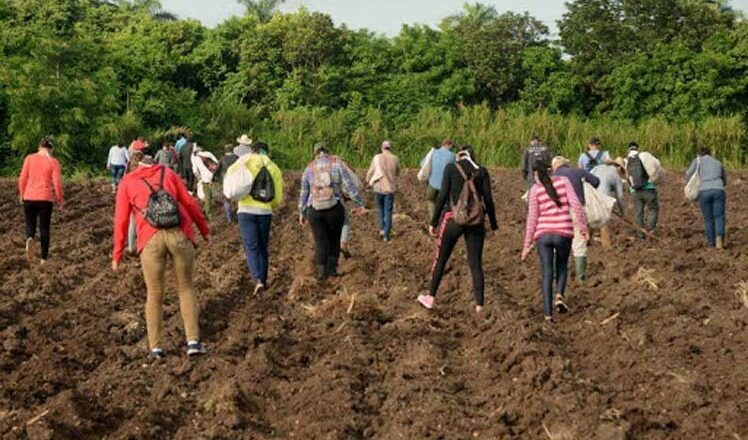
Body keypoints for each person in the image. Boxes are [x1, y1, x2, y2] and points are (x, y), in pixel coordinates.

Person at [112, 152, 211, 359]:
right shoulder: (169, 173)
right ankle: (193, 342)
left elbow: (121, 219)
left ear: (133, 165)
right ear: (154, 163)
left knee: (155, 293)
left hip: (149, 239)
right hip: (179, 233)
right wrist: (204, 230)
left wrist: (118, 253)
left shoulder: (127, 182)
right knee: (186, 287)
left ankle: (155, 348)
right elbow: (190, 203)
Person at [417, 146, 498, 313]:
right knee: (475, 264)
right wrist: (493, 223)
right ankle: (479, 306)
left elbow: (442, 196)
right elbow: (488, 200)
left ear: (459, 156)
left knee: (441, 259)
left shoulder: (451, 168)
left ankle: (430, 297)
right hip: (476, 223)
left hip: (455, 220)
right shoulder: (481, 171)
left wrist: (434, 222)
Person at [522, 161, 589, 322]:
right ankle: (559, 295)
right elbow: (576, 205)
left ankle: (547, 314)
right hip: (563, 232)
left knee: (546, 273)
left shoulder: (535, 190)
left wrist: (527, 244)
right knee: (561, 267)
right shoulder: (563, 182)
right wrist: (583, 228)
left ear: (536, 174)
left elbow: (532, 218)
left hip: (543, 235)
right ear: (551, 171)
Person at [298, 143, 366, 280]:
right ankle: (332, 269)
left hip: (315, 209)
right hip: (334, 208)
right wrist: (360, 203)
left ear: (315, 153)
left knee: (320, 240)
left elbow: (304, 192)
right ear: (327, 153)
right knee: (335, 238)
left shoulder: (309, 168)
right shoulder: (336, 164)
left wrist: (302, 212)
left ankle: (321, 271)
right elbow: (349, 186)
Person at [233, 141, 284, 294]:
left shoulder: (244, 162)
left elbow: (232, 185)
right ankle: (263, 278)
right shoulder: (273, 167)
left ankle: (257, 279)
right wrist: (269, 206)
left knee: (251, 246)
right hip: (265, 212)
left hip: (246, 211)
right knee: (263, 246)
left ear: (252, 150)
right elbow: (277, 198)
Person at [551, 156, 600, 282]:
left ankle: (557, 274)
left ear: (554, 167)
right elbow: (596, 181)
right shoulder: (578, 172)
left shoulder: (552, 178)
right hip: (577, 211)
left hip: (559, 213)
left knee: (558, 243)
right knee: (579, 243)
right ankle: (580, 278)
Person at [18, 136, 64, 264]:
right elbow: (57, 183)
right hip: (45, 198)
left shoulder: (29, 158)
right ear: (51, 149)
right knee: (44, 228)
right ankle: (43, 258)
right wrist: (60, 199)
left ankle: (30, 237)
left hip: (29, 196)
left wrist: (22, 193)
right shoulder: (53, 162)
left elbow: (22, 178)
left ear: (39, 147)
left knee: (30, 223)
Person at [685, 147, 727, 249]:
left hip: (704, 191)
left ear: (699, 154)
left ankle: (711, 243)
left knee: (708, 219)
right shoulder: (717, 162)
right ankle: (719, 238)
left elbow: (688, 174)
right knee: (719, 216)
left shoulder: (697, 161)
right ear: (710, 153)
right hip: (718, 189)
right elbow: (724, 178)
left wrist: (690, 183)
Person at [366, 140, 400, 241]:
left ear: (382, 148)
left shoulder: (377, 157)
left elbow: (370, 171)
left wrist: (368, 180)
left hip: (378, 188)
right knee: (388, 211)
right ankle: (386, 235)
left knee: (380, 209)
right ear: (390, 148)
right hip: (389, 189)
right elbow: (398, 172)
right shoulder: (395, 158)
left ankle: (381, 229)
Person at [625, 142, 661, 239]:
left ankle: (641, 235)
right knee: (653, 209)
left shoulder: (626, 161)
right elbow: (655, 168)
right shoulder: (644, 156)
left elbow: (627, 176)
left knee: (638, 213)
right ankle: (651, 229)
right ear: (638, 148)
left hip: (635, 191)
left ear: (628, 149)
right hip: (649, 188)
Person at [591, 161, 627, 247]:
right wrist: (624, 213)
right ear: (619, 168)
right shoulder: (616, 176)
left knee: (590, 218)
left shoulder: (597, 168)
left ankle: (587, 241)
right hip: (603, 197)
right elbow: (620, 197)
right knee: (604, 221)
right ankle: (606, 245)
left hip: (590, 194)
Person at [419, 139, 456, 223]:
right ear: (449, 145)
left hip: (432, 184)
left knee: (431, 200)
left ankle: (433, 220)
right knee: (445, 204)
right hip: (444, 186)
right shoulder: (452, 156)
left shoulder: (433, 153)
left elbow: (422, 164)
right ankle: (444, 221)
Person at [191, 146, 219, 220]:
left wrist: (199, 177)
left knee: (207, 196)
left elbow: (195, 171)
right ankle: (208, 208)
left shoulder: (196, 158)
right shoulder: (208, 153)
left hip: (205, 179)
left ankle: (209, 214)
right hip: (213, 176)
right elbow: (217, 162)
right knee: (212, 194)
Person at [219, 144, 239, 223]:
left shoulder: (222, 159)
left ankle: (229, 218)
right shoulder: (237, 158)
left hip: (226, 179)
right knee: (239, 197)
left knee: (227, 198)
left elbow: (217, 169)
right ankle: (238, 214)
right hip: (236, 178)